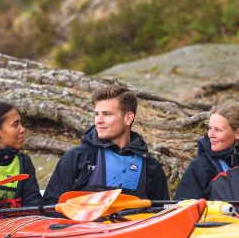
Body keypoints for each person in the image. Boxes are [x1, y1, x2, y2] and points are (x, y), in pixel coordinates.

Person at [42, 86, 170, 206]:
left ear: (128, 118)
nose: (99, 120)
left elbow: (162, 214)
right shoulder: (77, 157)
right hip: (84, 229)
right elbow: (50, 206)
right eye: (97, 114)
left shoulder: (150, 166)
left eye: (107, 114)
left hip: (133, 228)